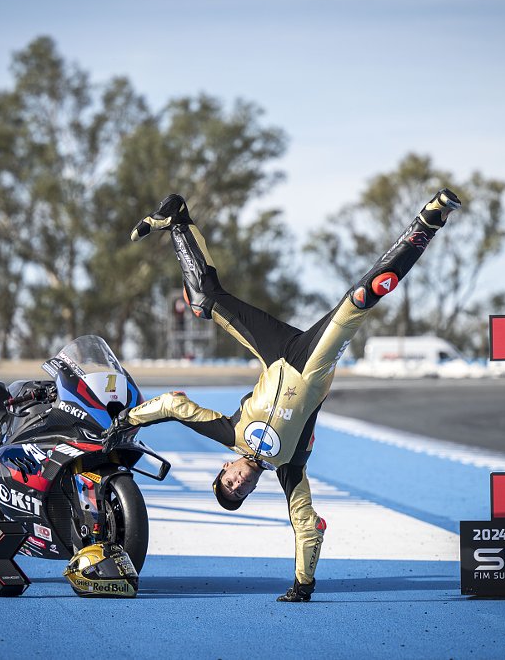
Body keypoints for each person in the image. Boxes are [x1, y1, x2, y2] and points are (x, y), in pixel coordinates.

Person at [102, 189, 461, 601]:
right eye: (241, 491)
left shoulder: (230, 434)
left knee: (203, 301)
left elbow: (174, 406)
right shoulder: (289, 464)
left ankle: (178, 219)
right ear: (253, 491)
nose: (238, 484)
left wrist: (125, 422)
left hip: (275, 354)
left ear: (226, 466)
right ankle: (430, 219)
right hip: (311, 362)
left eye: (230, 482)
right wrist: (303, 584)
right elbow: (307, 522)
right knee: (365, 296)